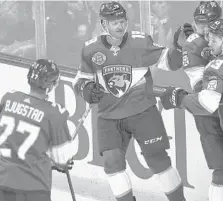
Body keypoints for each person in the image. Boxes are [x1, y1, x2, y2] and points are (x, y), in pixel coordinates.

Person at [72, 1, 188, 201]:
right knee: (112, 163)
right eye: (114, 22)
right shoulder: (91, 49)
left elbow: (170, 63)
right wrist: (86, 89)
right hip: (109, 116)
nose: (120, 26)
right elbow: (80, 79)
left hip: (143, 111)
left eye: (122, 21)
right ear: (103, 24)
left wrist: (177, 48)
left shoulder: (140, 42)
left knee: (158, 160)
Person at [159, 18, 223, 201]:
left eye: (214, 39)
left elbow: (207, 103)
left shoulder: (215, 69)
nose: (209, 41)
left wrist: (179, 98)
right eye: (207, 35)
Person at [0, 59, 76, 201]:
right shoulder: (55, 114)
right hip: (32, 188)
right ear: (51, 85)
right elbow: (62, 160)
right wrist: (58, 164)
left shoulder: (8, 99)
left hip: (1, 181)